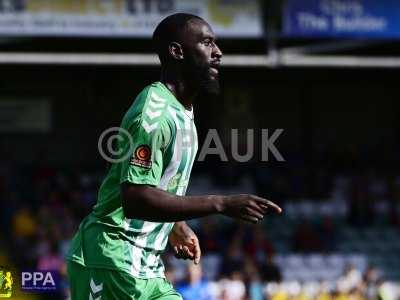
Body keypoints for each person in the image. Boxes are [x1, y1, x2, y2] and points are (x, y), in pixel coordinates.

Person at [66, 13, 282, 300]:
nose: (218, 52)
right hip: (110, 261)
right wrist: (220, 203)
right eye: (207, 43)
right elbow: (135, 197)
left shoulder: (182, 111)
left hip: (147, 267)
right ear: (177, 51)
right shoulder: (153, 115)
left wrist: (174, 227)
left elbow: (123, 172)